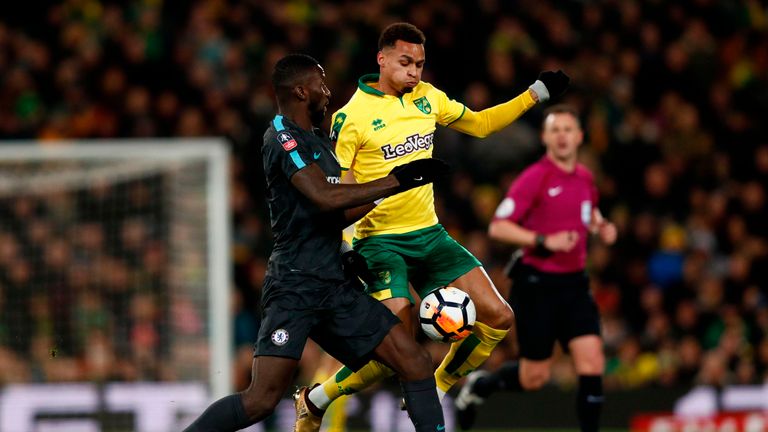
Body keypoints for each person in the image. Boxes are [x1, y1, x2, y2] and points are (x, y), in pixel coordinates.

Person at [295, 22, 570, 431]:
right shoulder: (351, 118)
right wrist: (348, 244)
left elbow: (480, 124)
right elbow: (340, 192)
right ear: (382, 59)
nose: (414, 72)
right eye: (406, 62)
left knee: (498, 316)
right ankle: (317, 398)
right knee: (398, 352)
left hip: (430, 234)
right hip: (380, 243)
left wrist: (535, 94)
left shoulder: (428, 98)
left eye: (420, 64)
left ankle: (437, 386)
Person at [182, 53, 451, 432]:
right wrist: (397, 180)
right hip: (294, 285)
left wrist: (382, 196)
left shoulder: (320, 142)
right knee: (260, 400)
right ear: (301, 90)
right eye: (322, 85)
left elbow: (337, 212)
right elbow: (322, 196)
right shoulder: (281, 134)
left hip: (334, 285)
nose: (328, 93)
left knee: (415, 362)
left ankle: (322, 402)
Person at [454, 104, 618, 432]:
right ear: (544, 137)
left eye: (568, 130)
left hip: (574, 284)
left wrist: (601, 224)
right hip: (536, 284)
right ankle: (480, 386)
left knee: (591, 361)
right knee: (534, 377)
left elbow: (586, 210)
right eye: (555, 130)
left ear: (579, 137)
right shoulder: (534, 178)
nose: (561, 136)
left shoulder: (585, 178)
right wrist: (544, 240)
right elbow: (499, 227)